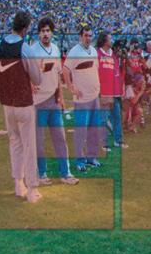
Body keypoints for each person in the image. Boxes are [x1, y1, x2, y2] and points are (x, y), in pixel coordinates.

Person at [0, 11, 43, 202]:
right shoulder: (25, 48)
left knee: (15, 142)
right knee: (29, 145)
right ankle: (32, 189)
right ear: (26, 28)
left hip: (7, 103)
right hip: (24, 102)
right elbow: (37, 78)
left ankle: (18, 184)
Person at [25, 17, 77, 185]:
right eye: (42, 31)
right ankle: (42, 173)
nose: (45, 34)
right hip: (38, 102)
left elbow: (58, 75)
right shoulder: (32, 51)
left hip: (53, 101)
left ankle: (66, 173)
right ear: (38, 33)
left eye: (48, 31)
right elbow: (25, 74)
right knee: (39, 141)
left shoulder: (55, 49)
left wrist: (61, 97)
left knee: (60, 138)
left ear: (52, 32)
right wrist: (31, 83)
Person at [65, 25, 102, 173]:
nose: (88, 38)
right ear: (81, 36)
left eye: (90, 35)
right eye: (86, 35)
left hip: (94, 96)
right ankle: (79, 160)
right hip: (82, 99)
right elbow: (66, 70)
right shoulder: (74, 51)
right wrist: (71, 88)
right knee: (81, 130)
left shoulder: (93, 51)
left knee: (94, 129)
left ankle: (91, 157)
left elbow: (95, 69)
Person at [96, 32, 123, 149]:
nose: (111, 41)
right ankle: (103, 143)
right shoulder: (97, 53)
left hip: (115, 91)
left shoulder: (115, 55)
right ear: (104, 40)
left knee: (117, 117)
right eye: (110, 38)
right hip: (104, 92)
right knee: (103, 118)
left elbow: (117, 72)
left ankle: (118, 140)